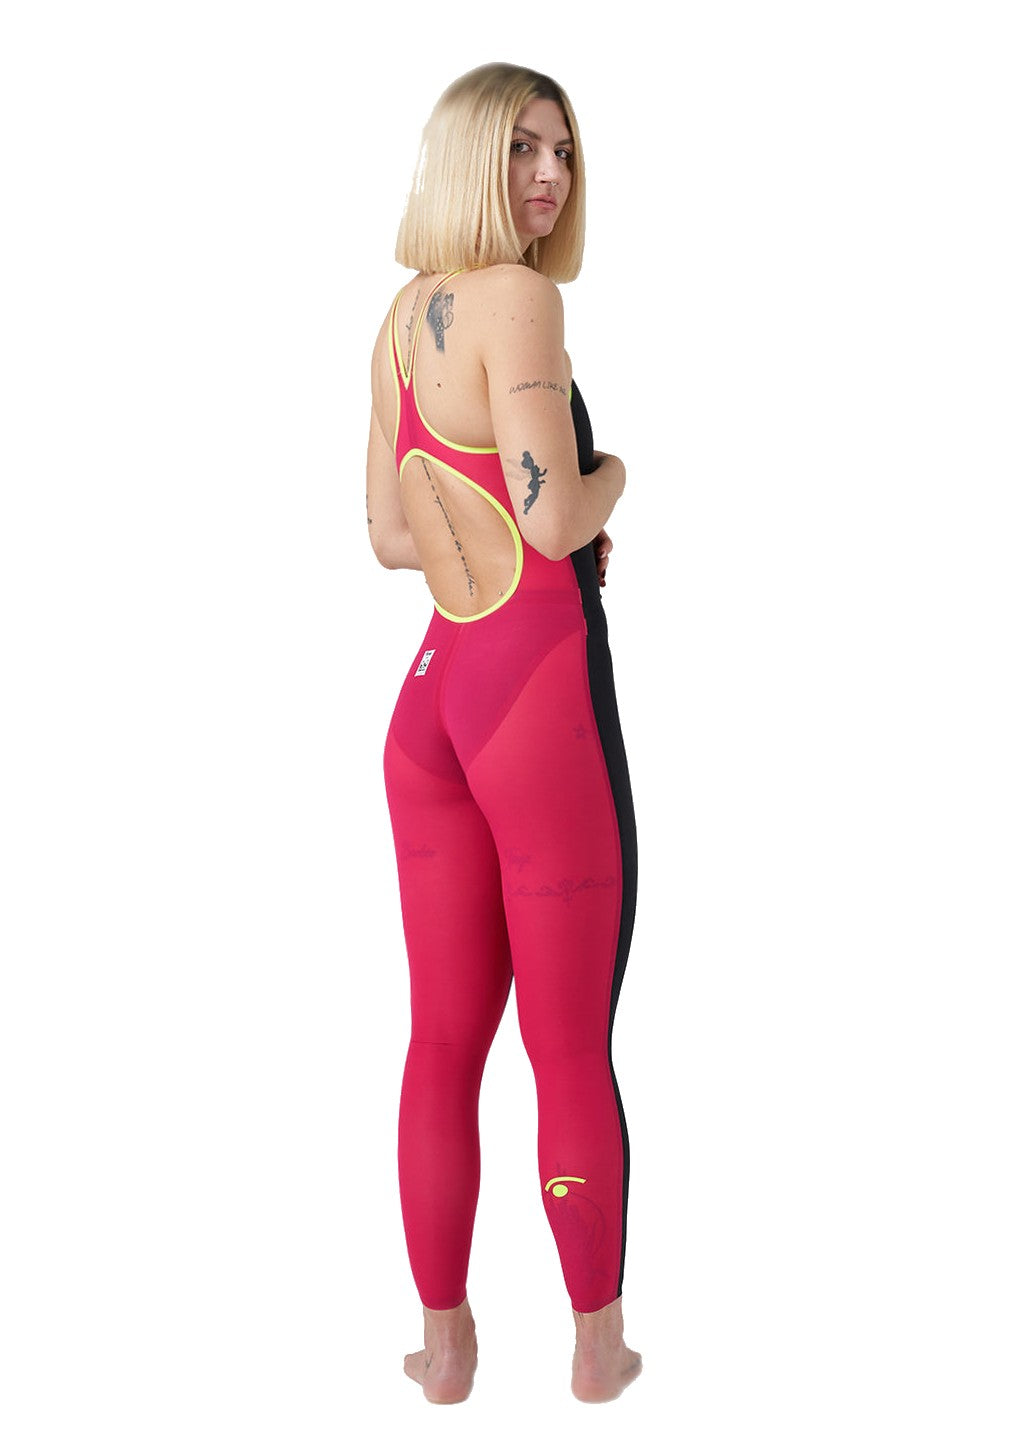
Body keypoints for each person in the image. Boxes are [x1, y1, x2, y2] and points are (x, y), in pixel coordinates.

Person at [366, 62, 640, 1404]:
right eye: (523, 148)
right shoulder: (522, 301)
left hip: (433, 700)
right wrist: (615, 476)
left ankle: (445, 1345)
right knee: (569, 1043)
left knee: (442, 1040)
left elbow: (387, 534)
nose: (549, 174)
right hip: (529, 701)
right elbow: (551, 512)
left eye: (563, 151)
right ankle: (596, 1347)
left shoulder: (400, 320)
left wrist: (497, 530)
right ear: (470, 158)